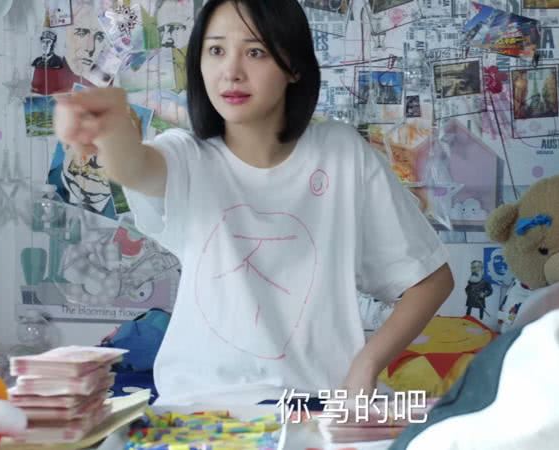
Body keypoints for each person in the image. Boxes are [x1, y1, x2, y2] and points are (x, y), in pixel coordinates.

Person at [53, 0, 453, 406]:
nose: (231, 71)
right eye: (216, 50)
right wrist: (109, 128)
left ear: (293, 66)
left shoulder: (341, 154)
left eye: (255, 51)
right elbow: (133, 166)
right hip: (202, 407)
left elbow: (430, 281)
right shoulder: (186, 156)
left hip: (316, 407)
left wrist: (366, 364)